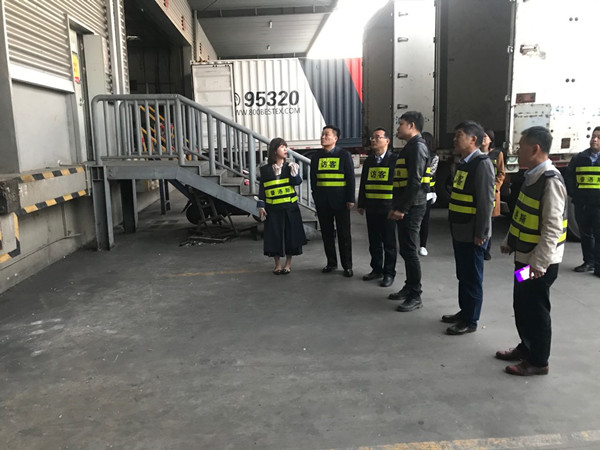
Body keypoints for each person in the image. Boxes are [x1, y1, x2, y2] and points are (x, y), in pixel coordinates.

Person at [497, 126, 568, 376]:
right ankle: (526, 346)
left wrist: (539, 264)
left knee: (536, 309)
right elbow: (522, 214)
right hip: (524, 260)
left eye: (521, 146)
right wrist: (510, 240)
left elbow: (552, 228)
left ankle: (538, 361)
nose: (517, 150)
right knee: (522, 303)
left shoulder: (550, 181)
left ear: (535, 149)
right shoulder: (531, 176)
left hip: (538, 265)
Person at [442, 120, 494, 335]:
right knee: (463, 275)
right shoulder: (464, 163)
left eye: (459, 135)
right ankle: (464, 312)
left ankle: (470, 320)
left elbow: (485, 202)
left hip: (472, 233)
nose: (455, 139)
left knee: (472, 277)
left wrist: (481, 233)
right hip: (460, 229)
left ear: (473, 139)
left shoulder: (481, 164)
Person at [387, 111, 431, 311]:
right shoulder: (411, 147)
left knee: (410, 251)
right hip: (407, 206)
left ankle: (415, 295)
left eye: (401, 123)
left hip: (413, 207)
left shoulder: (417, 147)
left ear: (411, 125)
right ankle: (409, 286)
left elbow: (415, 182)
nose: (398, 128)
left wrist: (402, 209)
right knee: (405, 249)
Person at [310, 125, 356, 277]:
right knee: (327, 234)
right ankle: (331, 263)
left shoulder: (344, 155)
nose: (323, 137)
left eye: (327, 135)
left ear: (335, 138)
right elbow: (313, 179)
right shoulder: (316, 157)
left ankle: (347, 266)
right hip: (323, 202)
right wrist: (316, 197)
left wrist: (350, 199)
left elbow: (350, 178)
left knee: (344, 235)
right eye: (322, 134)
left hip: (341, 202)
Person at [257, 138, 307, 274]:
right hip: (273, 209)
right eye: (282, 147)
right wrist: (261, 205)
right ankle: (277, 265)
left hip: (290, 209)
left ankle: (288, 265)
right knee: (274, 236)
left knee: (290, 237)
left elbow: (297, 182)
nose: (285, 149)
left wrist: (294, 173)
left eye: (286, 147)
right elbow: (262, 189)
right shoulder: (265, 170)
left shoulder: (290, 167)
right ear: (274, 151)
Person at [357, 128, 398, 287]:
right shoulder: (369, 161)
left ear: (387, 140)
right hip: (372, 207)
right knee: (374, 242)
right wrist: (361, 203)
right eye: (372, 138)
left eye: (377, 137)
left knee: (389, 243)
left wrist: (397, 207)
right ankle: (376, 269)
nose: (373, 140)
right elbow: (364, 183)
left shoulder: (394, 160)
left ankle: (389, 273)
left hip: (388, 209)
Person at [565, 126, 600, 277]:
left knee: (598, 235)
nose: (594, 140)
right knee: (585, 235)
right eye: (593, 136)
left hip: (598, 205)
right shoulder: (579, 158)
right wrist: (575, 194)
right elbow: (569, 177)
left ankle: (598, 265)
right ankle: (588, 262)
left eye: (598, 137)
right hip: (582, 204)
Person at [480, 129, 506, 260]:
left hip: (492, 192)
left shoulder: (497, 154)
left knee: (489, 221)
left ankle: (486, 250)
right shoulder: (476, 153)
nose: (483, 138)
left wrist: (495, 187)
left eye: (485, 136)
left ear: (491, 140)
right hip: (480, 190)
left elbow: (501, 173)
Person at [418, 131, 439, 256]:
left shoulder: (434, 157)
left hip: (427, 193)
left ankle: (422, 245)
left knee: (424, 221)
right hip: (415, 192)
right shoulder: (415, 154)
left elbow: (430, 172)